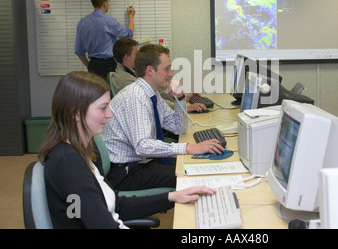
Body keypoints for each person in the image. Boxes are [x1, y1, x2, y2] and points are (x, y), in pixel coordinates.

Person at [38, 71, 216, 229]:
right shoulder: (68, 163)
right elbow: (100, 224)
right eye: (103, 108)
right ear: (75, 113)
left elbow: (116, 204)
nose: (110, 114)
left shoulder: (81, 152)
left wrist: (172, 196)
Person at [102, 44, 224, 191]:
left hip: (141, 162)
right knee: (191, 176)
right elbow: (143, 146)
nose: (171, 74)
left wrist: (179, 98)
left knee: (197, 168)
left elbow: (178, 127)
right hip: (125, 172)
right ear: (150, 71)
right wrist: (188, 147)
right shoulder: (136, 97)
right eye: (167, 69)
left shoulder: (153, 94)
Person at [111, 38, 207, 113]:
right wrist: (184, 108)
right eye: (136, 53)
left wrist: (182, 99)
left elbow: (160, 97)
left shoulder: (133, 72)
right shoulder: (127, 83)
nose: (171, 74)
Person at [75, 0, 135, 80]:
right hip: (109, 66)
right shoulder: (109, 21)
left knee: (96, 93)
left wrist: (90, 66)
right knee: (110, 93)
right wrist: (131, 16)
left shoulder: (82, 22)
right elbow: (128, 34)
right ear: (105, 4)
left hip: (93, 65)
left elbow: (79, 52)